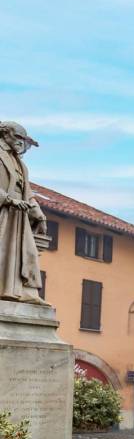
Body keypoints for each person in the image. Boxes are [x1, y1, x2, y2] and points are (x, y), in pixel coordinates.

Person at [0, 122, 46, 303]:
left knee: (29, 254)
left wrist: (38, 213)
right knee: (3, 253)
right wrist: (8, 200)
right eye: (18, 137)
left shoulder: (21, 164)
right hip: (4, 211)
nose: (21, 142)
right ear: (5, 134)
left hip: (19, 214)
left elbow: (27, 192)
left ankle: (27, 292)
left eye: (23, 139)